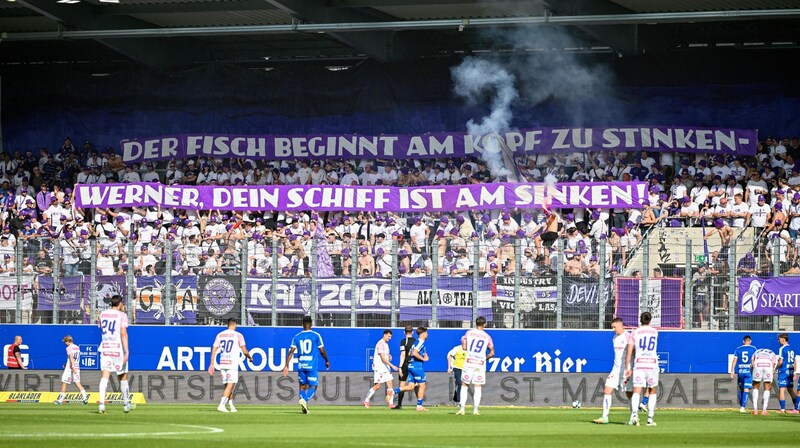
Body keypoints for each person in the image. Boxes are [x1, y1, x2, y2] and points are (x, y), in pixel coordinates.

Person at [282, 315, 330, 414]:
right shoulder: (316, 335)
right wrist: (326, 360)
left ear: (302, 324)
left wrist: (286, 365)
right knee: (314, 386)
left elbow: (291, 352)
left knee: (302, 386)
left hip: (301, 366)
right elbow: (321, 351)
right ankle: (305, 400)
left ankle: (304, 405)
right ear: (311, 324)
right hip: (311, 366)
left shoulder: (297, 337)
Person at [208, 318, 253, 413]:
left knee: (228, 386)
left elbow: (214, 350)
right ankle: (221, 405)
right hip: (232, 363)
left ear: (228, 324)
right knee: (230, 385)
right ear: (235, 324)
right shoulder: (238, 335)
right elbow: (244, 350)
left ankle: (231, 405)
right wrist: (250, 357)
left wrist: (212, 364)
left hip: (222, 362)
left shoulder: (220, 335)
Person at [98, 294, 130, 414]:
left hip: (106, 348)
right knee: (122, 376)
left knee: (105, 376)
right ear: (120, 303)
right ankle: (126, 404)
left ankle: (101, 404)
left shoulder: (102, 314)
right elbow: (123, 333)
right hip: (118, 349)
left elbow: (101, 328)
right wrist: (127, 351)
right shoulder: (122, 315)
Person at [594, 318, 630, 424]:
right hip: (615, 369)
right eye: (612, 327)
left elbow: (632, 353)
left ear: (621, 325)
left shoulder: (629, 337)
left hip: (625, 370)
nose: (613, 329)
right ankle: (604, 417)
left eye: (615, 327)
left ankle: (634, 415)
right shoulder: (614, 338)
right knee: (607, 390)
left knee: (629, 394)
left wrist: (630, 368)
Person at [625, 312, 658, 426]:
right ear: (650, 320)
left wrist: (627, 367)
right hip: (652, 364)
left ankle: (634, 415)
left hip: (639, 364)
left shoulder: (634, 332)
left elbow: (629, 352)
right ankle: (650, 418)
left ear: (640, 320)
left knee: (636, 391)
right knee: (652, 391)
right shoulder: (654, 332)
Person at [456, 316, 494, 416]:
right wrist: (483, 358)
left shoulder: (469, 333)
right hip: (479, 363)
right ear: (485, 324)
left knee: (464, 385)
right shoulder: (487, 336)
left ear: (475, 323)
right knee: (477, 386)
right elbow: (492, 353)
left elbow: (464, 347)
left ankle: (462, 409)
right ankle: (475, 410)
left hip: (469, 361)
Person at [393, 327, 429, 411]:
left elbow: (409, 353)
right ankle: (419, 406)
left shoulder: (415, 342)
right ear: (423, 334)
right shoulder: (420, 342)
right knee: (422, 385)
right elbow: (414, 353)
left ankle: (393, 391)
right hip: (417, 366)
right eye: (426, 333)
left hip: (410, 365)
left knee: (410, 386)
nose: (427, 335)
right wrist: (423, 359)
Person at [363, 330, 398, 408]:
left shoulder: (386, 344)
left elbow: (385, 355)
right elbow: (382, 358)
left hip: (386, 368)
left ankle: (390, 404)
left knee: (390, 385)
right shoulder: (380, 343)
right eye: (389, 336)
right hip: (379, 368)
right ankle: (366, 400)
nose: (390, 338)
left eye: (391, 336)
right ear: (385, 335)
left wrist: (389, 356)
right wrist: (392, 365)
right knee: (377, 386)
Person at [54, 335, 88, 405]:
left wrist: (72, 367)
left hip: (70, 368)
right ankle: (85, 398)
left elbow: (71, 357)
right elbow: (74, 359)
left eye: (65, 342)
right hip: (77, 366)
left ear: (68, 341)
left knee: (64, 382)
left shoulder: (68, 348)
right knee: (78, 383)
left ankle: (60, 400)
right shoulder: (77, 347)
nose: (65, 343)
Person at [730, 335, 757, 413]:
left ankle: (742, 407)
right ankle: (742, 407)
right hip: (748, 372)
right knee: (746, 389)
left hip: (740, 371)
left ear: (743, 341)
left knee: (741, 388)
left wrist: (732, 371)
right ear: (750, 341)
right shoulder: (753, 349)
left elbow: (734, 360)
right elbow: (753, 361)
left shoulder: (738, 349)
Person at [393, 325, 416, 410]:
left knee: (402, 384)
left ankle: (399, 404)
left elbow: (402, 355)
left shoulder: (403, 341)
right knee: (416, 384)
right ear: (412, 332)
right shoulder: (416, 341)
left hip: (405, 365)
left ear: (404, 332)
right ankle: (419, 404)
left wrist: (400, 367)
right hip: (414, 365)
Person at [751, 347, 778, 415]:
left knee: (756, 386)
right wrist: (772, 370)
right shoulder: (772, 352)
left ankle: (755, 410)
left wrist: (753, 373)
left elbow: (752, 363)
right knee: (767, 386)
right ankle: (764, 410)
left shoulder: (756, 352)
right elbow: (773, 364)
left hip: (758, 363)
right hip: (768, 363)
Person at [776, 333, 798, 413]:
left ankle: (782, 409)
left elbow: (781, 362)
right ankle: (797, 408)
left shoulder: (782, 348)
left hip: (784, 371)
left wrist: (775, 368)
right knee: (790, 390)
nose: (778, 341)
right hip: (791, 371)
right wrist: (795, 372)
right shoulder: (792, 348)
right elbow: (794, 361)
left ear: (783, 339)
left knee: (782, 389)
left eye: (779, 339)